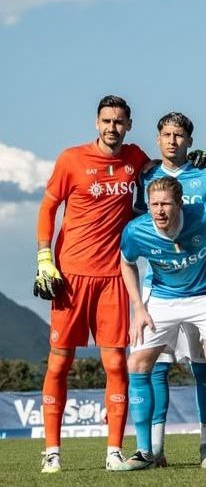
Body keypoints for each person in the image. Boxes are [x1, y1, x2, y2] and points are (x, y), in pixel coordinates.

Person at [34, 95, 150, 473]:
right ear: (96, 123)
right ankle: (52, 451)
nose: (112, 127)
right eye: (106, 121)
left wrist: (193, 162)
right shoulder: (71, 159)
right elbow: (48, 208)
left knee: (116, 363)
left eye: (118, 121)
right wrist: (44, 257)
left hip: (114, 277)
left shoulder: (134, 158)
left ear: (128, 125)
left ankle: (113, 451)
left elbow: (163, 173)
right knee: (59, 362)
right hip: (70, 277)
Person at [133, 112, 206, 467]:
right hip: (158, 285)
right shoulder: (145, 175)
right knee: (157, 367)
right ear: (158, 139)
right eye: (166, 135)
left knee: (204, 368)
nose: (172, 141)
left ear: (190, 141)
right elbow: (139, 224)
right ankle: (154, 449)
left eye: (179, 135)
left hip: (204, 286)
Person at [120, 177, 206, 470]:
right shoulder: (136, 230)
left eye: (165, 204)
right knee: (137, 364)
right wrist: (138, 308)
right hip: (164, 298)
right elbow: (127, 262)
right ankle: (145, 452)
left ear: (180, 204)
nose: (159, 211)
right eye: (154, 205)